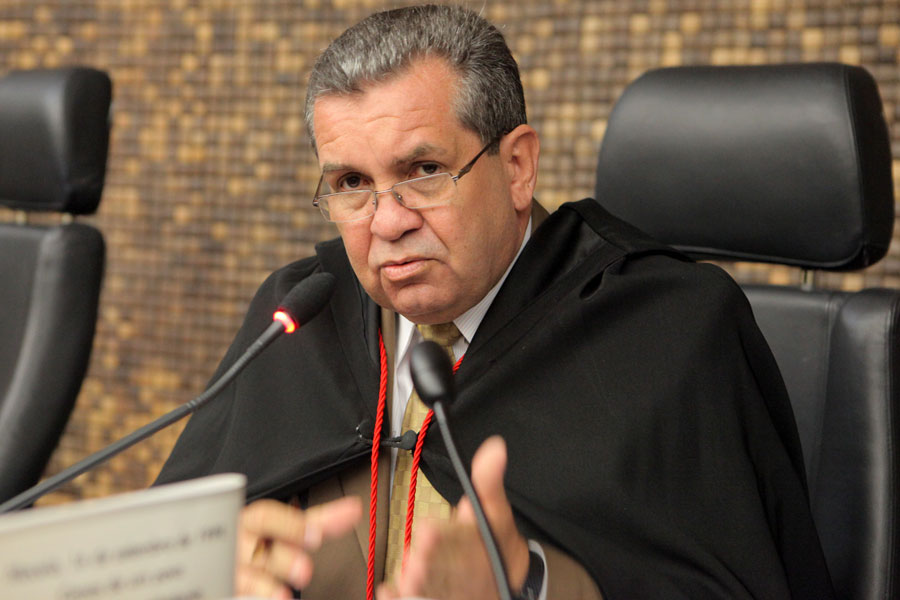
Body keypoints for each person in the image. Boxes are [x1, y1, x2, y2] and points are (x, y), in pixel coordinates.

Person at [155, 5, 835, 599]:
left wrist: (530, 583)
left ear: (517, 168)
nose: (387, 222)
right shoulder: (300, 315)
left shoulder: (670, 327)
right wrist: (197, 572)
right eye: (352, 183)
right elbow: (152, 557)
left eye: (424, 171)